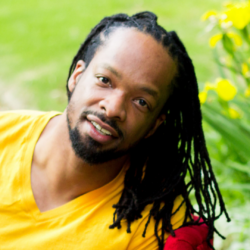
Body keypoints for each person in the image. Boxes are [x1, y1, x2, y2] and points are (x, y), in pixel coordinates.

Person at [0, 11, 230, 250]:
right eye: (104, 80)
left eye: (141, 102)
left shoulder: (155, 226)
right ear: (77, 76)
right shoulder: (5, 133)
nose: (112, 109)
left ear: (154, 124)